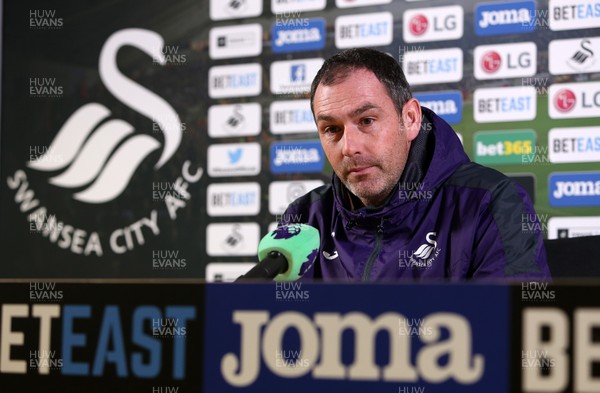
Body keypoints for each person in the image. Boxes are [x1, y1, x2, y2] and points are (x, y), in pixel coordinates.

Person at [279, 48, 551, 281]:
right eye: (331, 129)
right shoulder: (303, 220)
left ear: (410, 119)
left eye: (367, 121)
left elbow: (510, 331)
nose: (349, 147)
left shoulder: (492, 204)